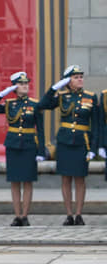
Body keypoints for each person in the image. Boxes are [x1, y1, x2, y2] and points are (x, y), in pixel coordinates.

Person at [38, 65, 97, 225]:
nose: (80, 79)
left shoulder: (91, 97)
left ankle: (79, 214)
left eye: (81, 77)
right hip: (65, 142)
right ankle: (69, 214)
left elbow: (96, 125)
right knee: (65, 179)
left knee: (80, 179)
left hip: (81, 142)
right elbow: (42, 104)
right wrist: (53, 88)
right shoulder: (62, 96)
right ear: (68, 81)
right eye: (76, 77)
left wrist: (93, 148)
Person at [0, 71, 45, 226]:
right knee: (14, 181)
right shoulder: (9, 104)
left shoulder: (35, 104)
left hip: (29, 145)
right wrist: (1, 94)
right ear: (14, 87)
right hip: (13, 145)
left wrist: (41, 150)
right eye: (21, 84)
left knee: (27, 181)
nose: (25, 86)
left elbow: (41, 129)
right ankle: (17, 215)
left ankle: (25, 216)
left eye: (26, 83)